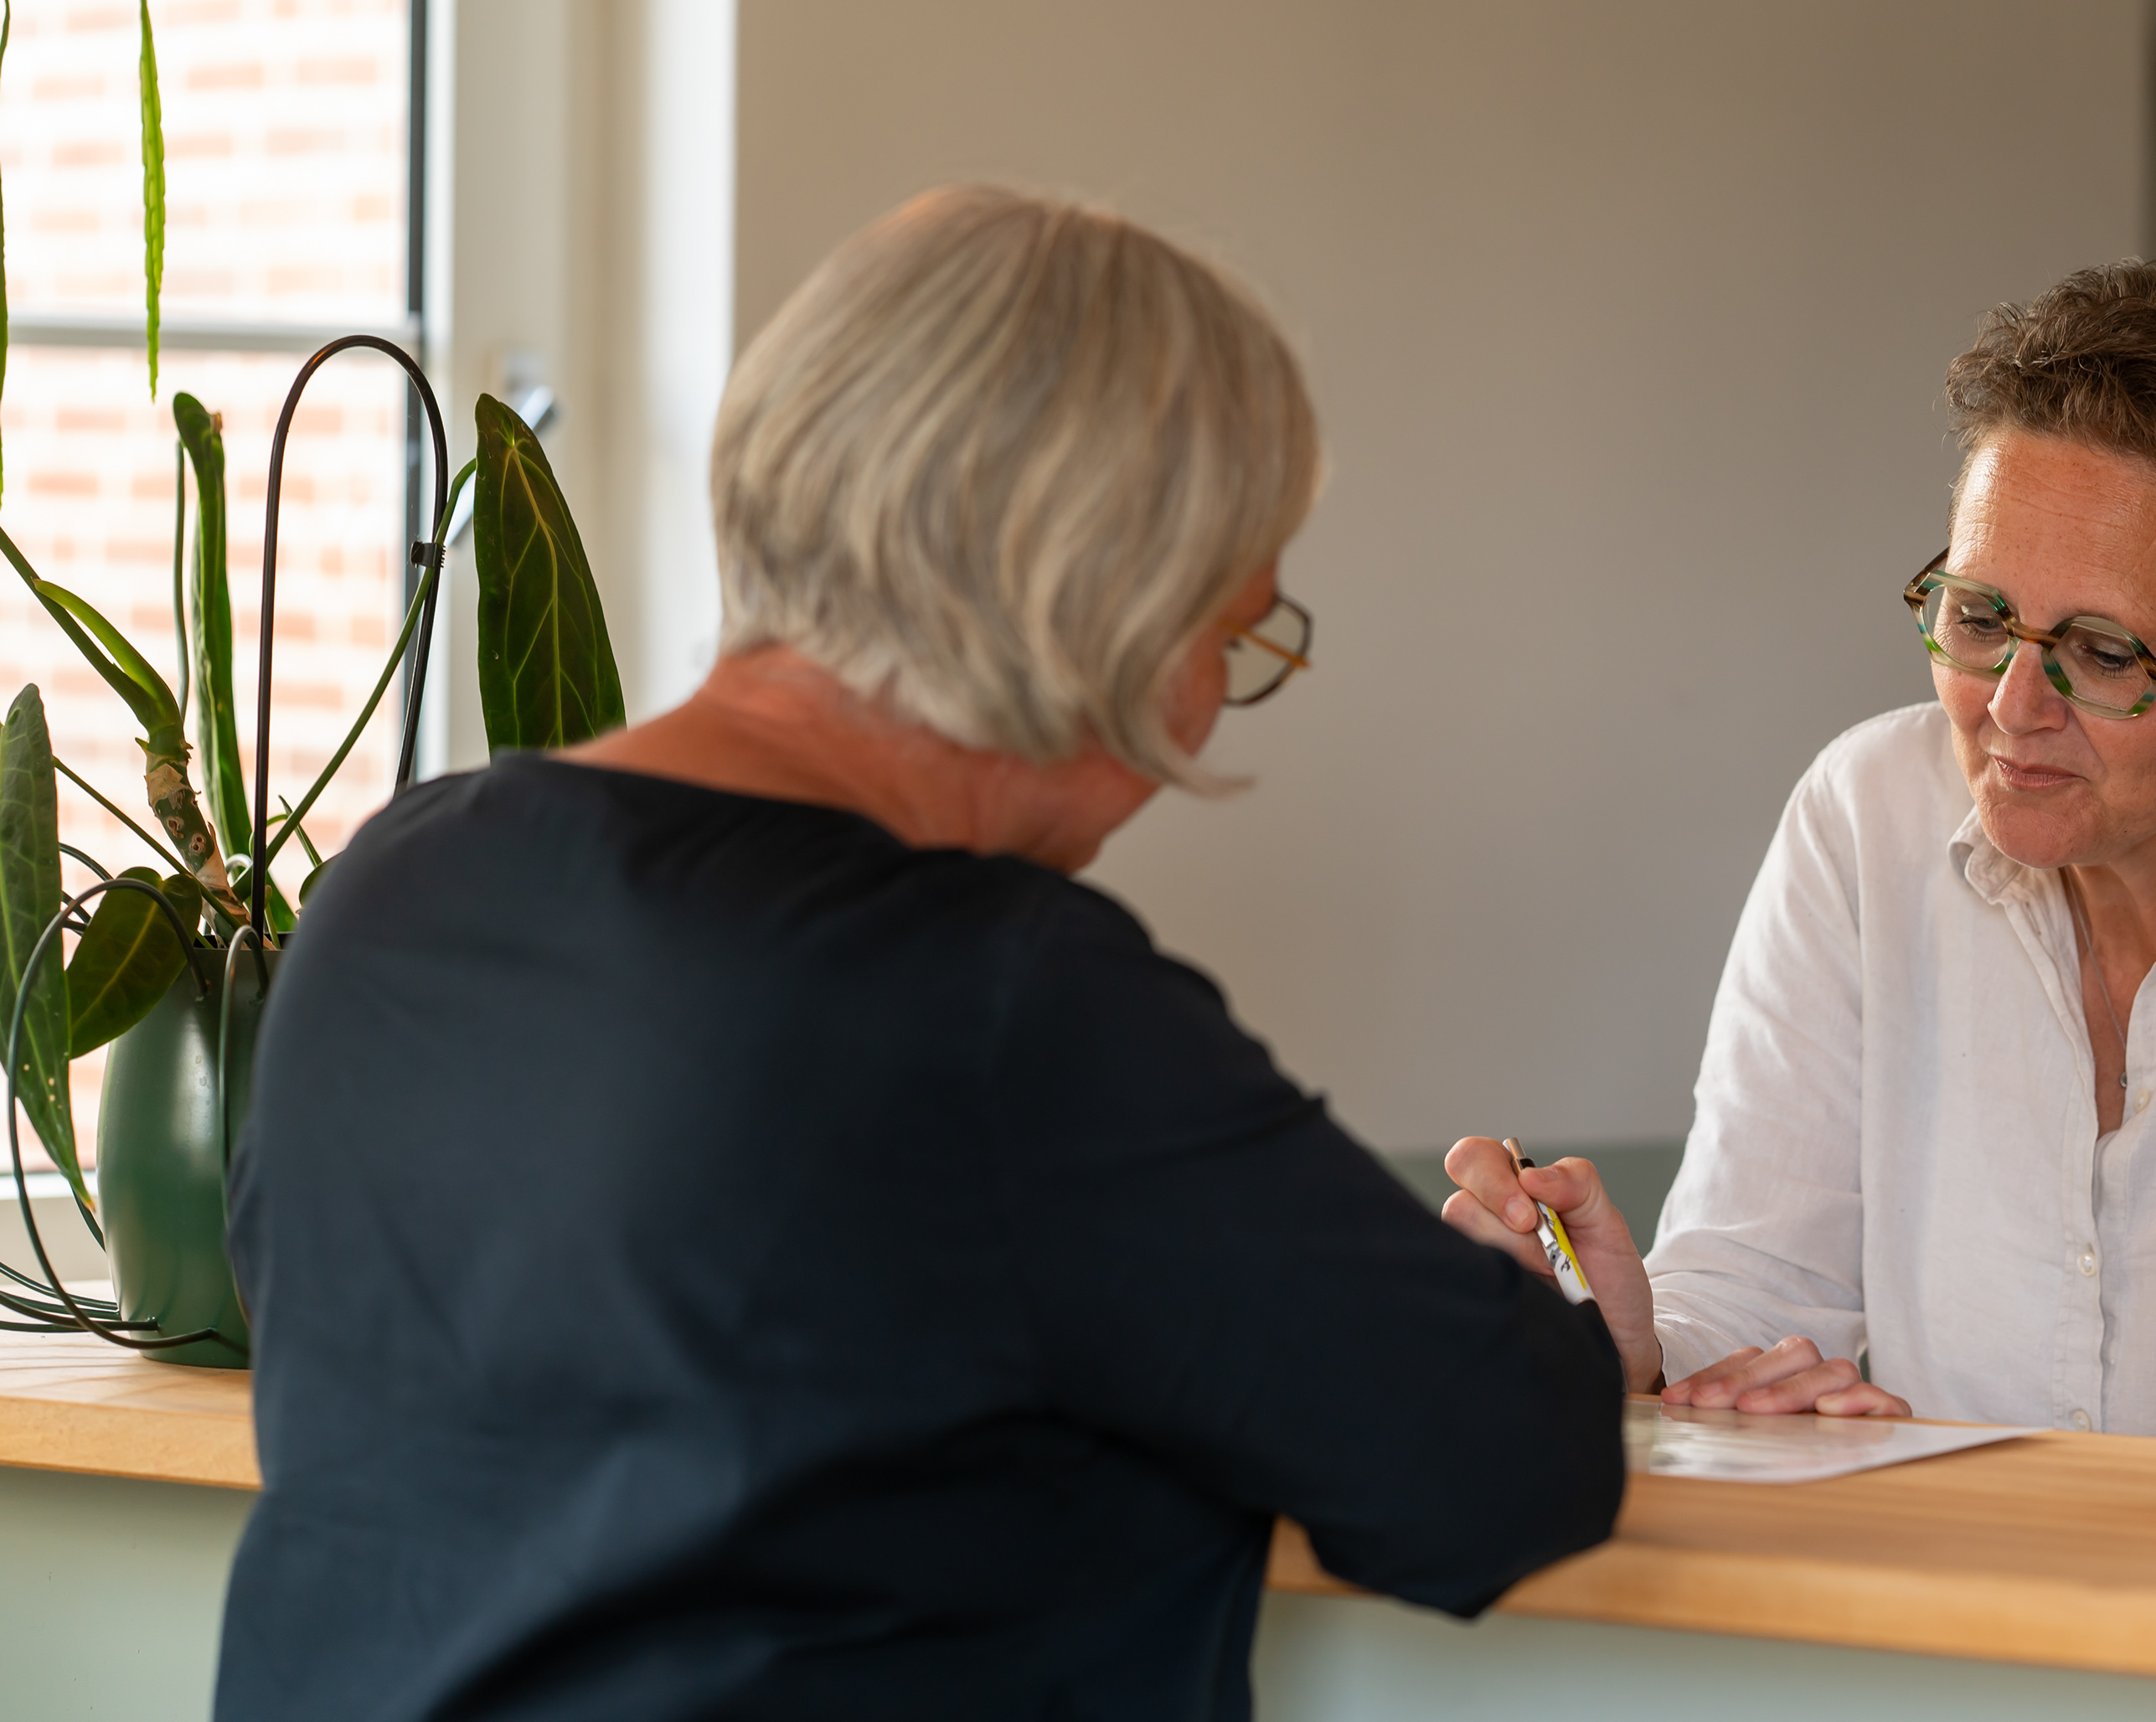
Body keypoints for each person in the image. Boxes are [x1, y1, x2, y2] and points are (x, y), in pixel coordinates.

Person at [219, 188, 1625, 1721]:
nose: (1206, 709)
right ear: (1105, 610)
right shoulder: (999, 1002)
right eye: (1234, 634)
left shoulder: (389, 894)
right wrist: (1522, 1316)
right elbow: (1496, 1468)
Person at [1442, 258, 2156, 1436]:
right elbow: (1758, 1279)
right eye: (1980, 616)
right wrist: (1637, 1350)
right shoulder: (1865, 812)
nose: (2008, 707)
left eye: (2105, 652)